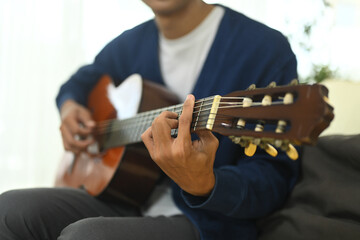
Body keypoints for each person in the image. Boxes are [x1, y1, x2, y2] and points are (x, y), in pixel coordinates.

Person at [0, 0, 299, 239]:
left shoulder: (263, 49)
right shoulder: (130, 44)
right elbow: (78, 84)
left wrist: (208, 183)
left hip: (207, 221)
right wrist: (69, 108)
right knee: (9, 208)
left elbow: (276, 178)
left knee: (88, 235)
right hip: (124, 198)